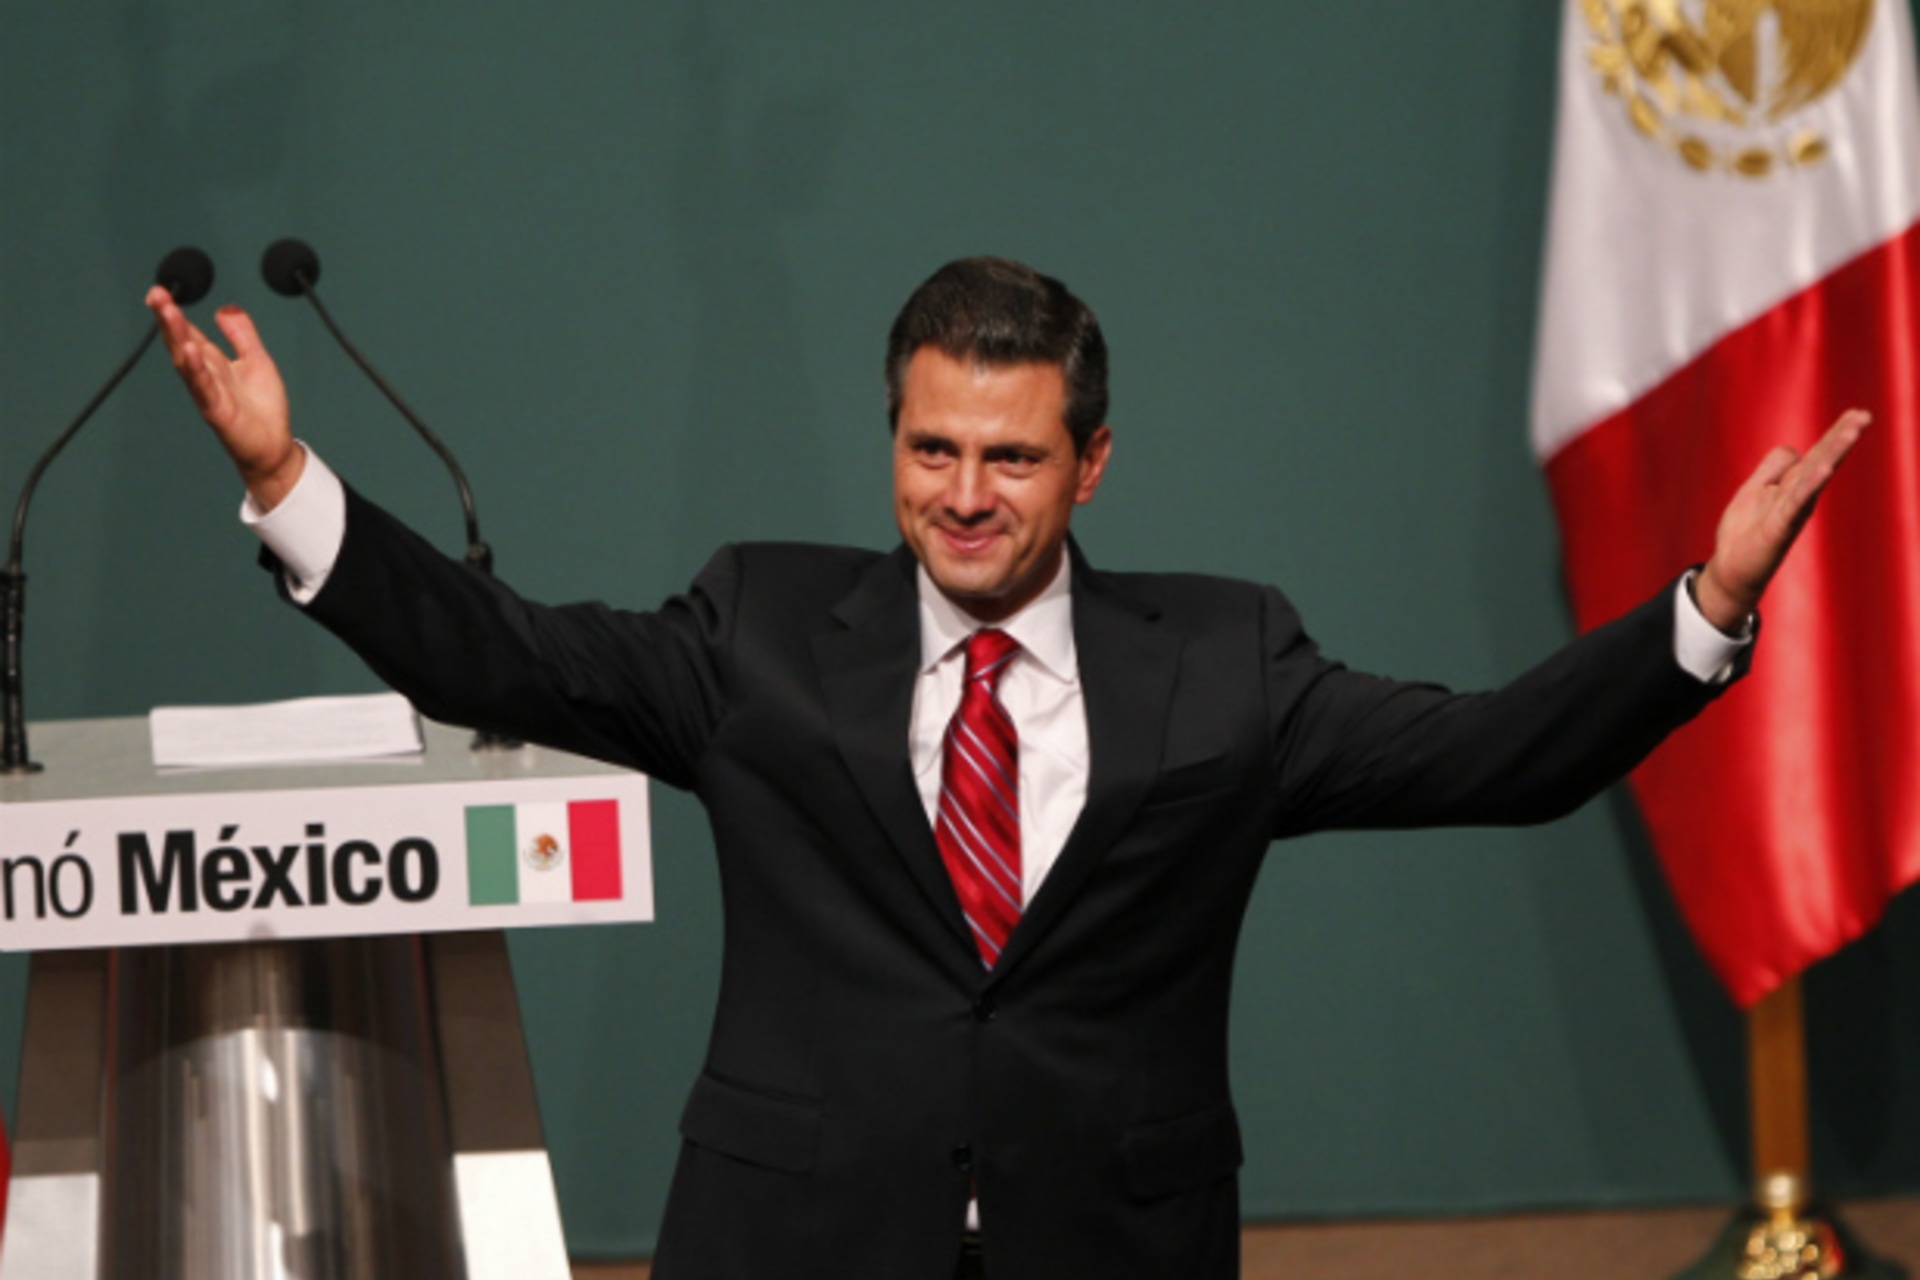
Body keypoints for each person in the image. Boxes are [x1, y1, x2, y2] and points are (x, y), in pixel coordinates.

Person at [146, 257, 1865, 1280]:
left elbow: (1498, 758)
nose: (965, 494)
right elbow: (497, 654)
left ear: (1092, 464)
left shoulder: (1222, 656)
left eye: (1013, 457)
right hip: (797, 1240)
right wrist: (294, 477)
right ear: (892, 437)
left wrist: (1705, 610)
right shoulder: (757, 626)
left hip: (1110, 1243)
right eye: (931, 448)